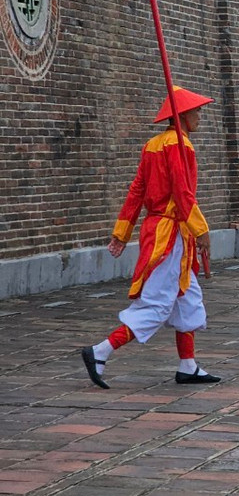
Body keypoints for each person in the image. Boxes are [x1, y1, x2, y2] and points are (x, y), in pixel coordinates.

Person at [80, 86, 221, 388]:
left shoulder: (152, 145)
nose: (200, 115)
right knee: (156, 303)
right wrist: (202, 230)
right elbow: (183, 194)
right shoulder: (179, 145)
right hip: (168, 236)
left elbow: (137, 191)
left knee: (187, 299)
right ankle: (100, 351)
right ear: (182, 114)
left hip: (165, 231)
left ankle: (188, 366)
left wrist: (122, 232)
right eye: (196, 111)